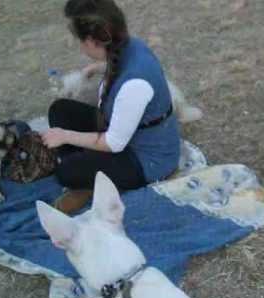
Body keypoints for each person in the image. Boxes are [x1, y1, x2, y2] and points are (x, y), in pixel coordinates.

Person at [42, 0, 180, 214]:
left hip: (148, 159)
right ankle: (91, 171)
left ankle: (87, 182)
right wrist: (98, 67)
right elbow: (120, 62)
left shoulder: (134, 84)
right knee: (60, 110)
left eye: (80, 41)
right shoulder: (130, 44)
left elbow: (114, 143)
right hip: (127, 134)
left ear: (90, 40)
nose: (80, 46)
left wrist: (66, 135)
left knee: (65, 171)